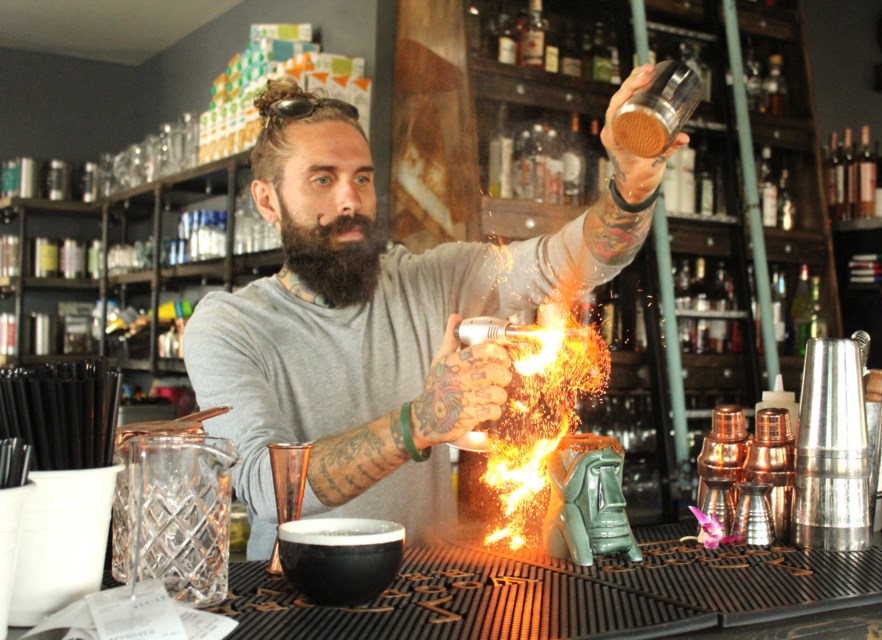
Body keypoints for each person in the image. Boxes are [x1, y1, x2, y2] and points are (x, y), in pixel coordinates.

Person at [182, 64, 688, 560]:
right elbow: (263, 489)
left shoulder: (432, 280)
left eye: (362, 178)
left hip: (427, 585)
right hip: (299, 595)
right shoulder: (228, 325)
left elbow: (570, 262)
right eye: (322, 180)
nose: (350, 201)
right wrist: (419, 422)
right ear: (267, 201)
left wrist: (633, 184)